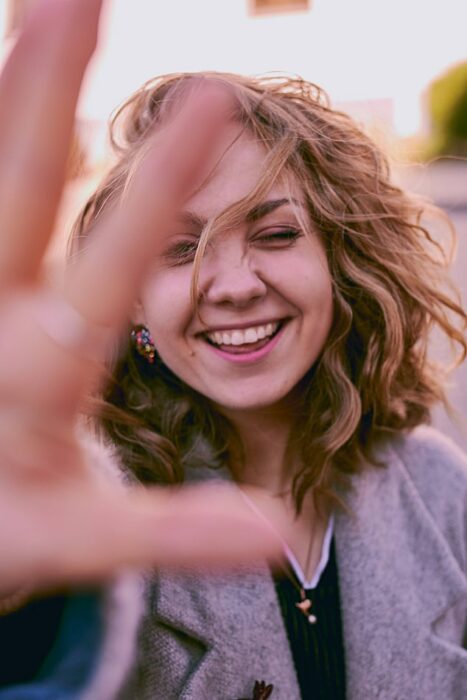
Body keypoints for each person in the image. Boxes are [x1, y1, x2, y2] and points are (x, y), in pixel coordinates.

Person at [0, 1, 466, 699]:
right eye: (179, 249)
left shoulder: (438, 489)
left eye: (275, 234)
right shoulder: (79, 506)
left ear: (342, 261)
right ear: (132, 302)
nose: (233, 286)